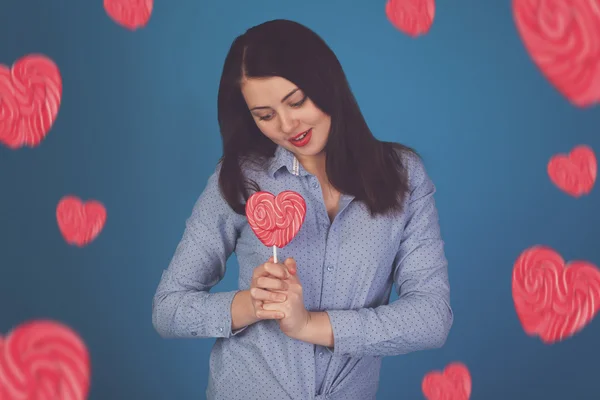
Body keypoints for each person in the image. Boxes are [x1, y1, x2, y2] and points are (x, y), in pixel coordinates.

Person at [152, 19, 453, 400]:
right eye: (265, 115)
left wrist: (310, 324)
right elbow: (167, 309)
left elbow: (431, 318)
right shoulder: (241, 178)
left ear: (327, 83)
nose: (287, 124)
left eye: (296, 101)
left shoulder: (403, 175)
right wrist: (252, 304)